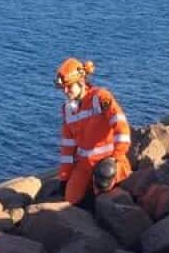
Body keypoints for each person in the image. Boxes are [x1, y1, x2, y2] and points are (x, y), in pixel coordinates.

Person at [56, 58, 132, 206]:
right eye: (63, 88)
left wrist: (115, 157)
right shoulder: (68, 110)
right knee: (71, 199)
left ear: (81, 82)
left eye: (69, 86)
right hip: (85, 164)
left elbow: (121, 127)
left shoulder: (100, 97)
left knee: (106, 189)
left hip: (109, 160)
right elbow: (67, 148)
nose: (65, 91)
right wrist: (64, 177)